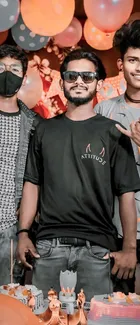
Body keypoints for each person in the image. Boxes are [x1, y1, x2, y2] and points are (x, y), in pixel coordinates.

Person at [17, 49, 140, 302]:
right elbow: (32, 184)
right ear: (62, 81)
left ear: (98, 82)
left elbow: (126, 194)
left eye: (87, 76)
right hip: (48, 247)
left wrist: (129, 248)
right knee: (43, 317)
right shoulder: (44, 130)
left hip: (97, 249)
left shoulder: (114, 132)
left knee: (96, 319)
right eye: (72, 75)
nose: (79, 81)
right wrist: (23, 233)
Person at [94, 19, 140, 317]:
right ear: (121, 64)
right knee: (117, 314)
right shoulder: (103, 111)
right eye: (133, 60)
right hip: (115, 231)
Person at [0, 44, 42, 285]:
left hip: (11, 228)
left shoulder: (35, 124)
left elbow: (37, 178)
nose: (7, 73)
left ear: (23, 77)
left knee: (9, 301)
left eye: (14, 68)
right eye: (1, 68)